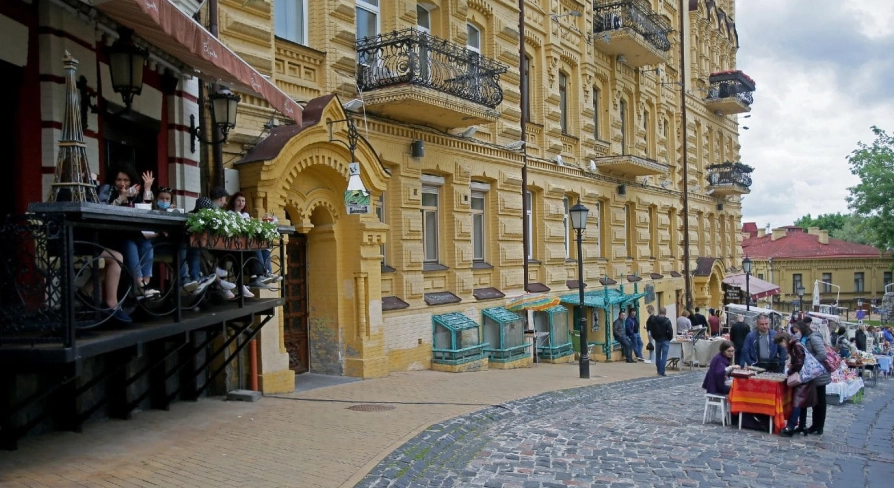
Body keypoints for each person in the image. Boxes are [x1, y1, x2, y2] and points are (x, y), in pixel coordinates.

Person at [775, 332, 817, 437]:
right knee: (802, 403)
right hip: (806, 378)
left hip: (803, 378)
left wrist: (790, 370)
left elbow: (799, 362)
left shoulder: (796, 346)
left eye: (781, 344)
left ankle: (790, 427)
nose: (782, 347)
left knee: (797, 402)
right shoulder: (796, 345)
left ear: (784, 341)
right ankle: (802, 426)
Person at [797, 319, 830, 435]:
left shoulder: (814, 338)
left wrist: (809, 363)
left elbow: (822, 354)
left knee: (820, 402)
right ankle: (815, 425)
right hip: (814, 374)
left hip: (819, 374)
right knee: (816, 402)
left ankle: (819, 426)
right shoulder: (807, 338)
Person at [648, 307, 674, 376]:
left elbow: (651, 329)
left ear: (659, 312)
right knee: (664, 356)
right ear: (665, 313)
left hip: (657, 339)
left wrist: (654, 337)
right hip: (665, 339)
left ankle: (658, 370)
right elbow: (670, 331)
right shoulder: (667, 321)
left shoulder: (654, 320)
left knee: (658, 355)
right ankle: (662, 371)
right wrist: (669, 338)